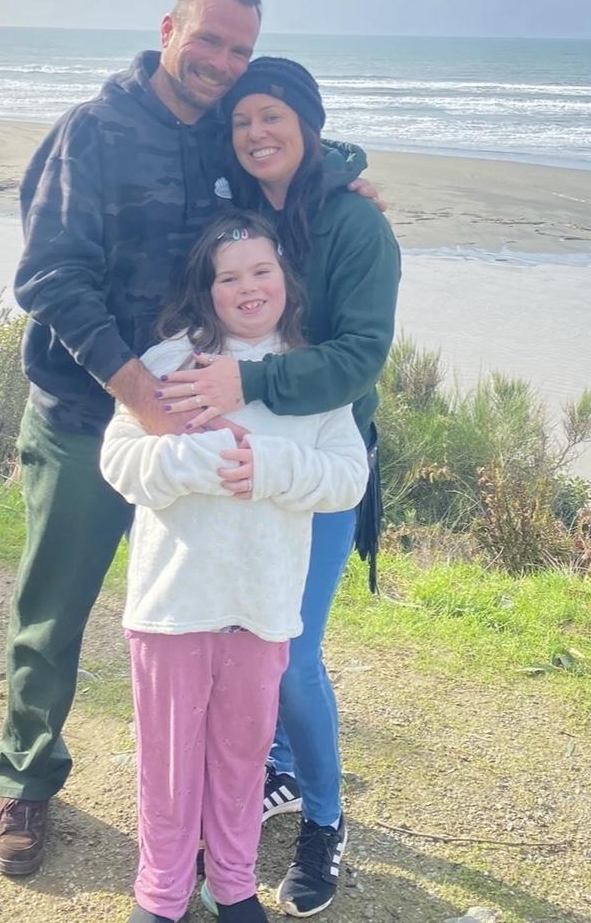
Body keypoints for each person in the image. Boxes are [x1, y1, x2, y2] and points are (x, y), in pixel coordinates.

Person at [0, 0, 379, 876]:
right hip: (87, 413)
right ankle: (26, 777)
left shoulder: (222, 133)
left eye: (240, 50)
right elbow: (49, 277)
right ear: (169, 28)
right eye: (208, 40)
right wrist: (138, 393)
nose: (222, 63)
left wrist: (349, 178)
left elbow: (293, 150)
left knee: (212, 622)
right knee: (55, 608)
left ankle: (209, 800)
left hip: (202, 417)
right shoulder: (93, 130)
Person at [156, 57, 400, 917]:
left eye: (274, 117)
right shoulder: (239, 211)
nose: (257, 133)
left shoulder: (356, 224)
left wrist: (249, 383)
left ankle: (325, 820)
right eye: (242, 120)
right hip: (237, 466)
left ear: (309, 124)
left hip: (319, 462)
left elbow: (362, 356)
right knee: (237, 643)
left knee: (291, 653)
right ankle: (274, 775)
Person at [100, 212, 368, 923]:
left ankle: (232, 884)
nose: (248, 288)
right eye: (229, 277)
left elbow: (348, 478)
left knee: (243, 759)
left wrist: (271, 465)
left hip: (263, 605)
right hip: (171, 605)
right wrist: (211, 457)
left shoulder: (312, 374)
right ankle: (161, 892)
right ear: (207, 288)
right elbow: (119, 461)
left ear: (287, 280)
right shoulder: (167, 363)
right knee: (169, 762)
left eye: (261, 271)